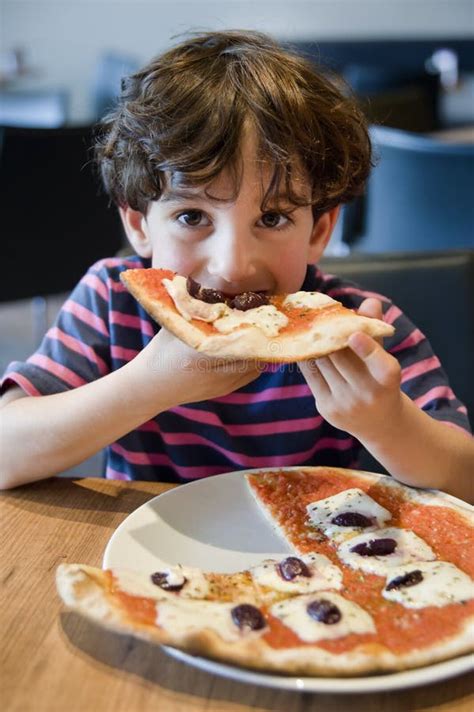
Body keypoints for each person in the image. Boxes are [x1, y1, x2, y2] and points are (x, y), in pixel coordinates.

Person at [1, 31, 472, 500]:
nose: (231, 266)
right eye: (192, 217)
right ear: (139, 224)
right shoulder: (111, 302)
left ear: (319, 230)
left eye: (272, 217)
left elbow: (466, 480)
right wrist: (147, 386)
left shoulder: (361, 331)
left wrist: (388, 424)